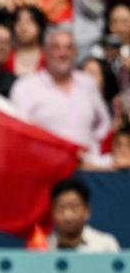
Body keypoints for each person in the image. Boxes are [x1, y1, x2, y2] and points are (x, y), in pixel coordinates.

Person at [9, 27, 113, 168]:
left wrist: (92, 145)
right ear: (45, 52)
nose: (63, 53)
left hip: (88, 168)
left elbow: (104, 123)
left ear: (75, 53)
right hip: (46, 170)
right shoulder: (25, 86)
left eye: (68, 47)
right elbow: (18, 133)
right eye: (56, 47)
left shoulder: (88, 83)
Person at [47, 178, 121, 251]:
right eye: (61, 208)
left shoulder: (105, 245)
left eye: (74, 207)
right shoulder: (44, 249)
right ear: (53, 212)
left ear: (87, 210)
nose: (68, 216)